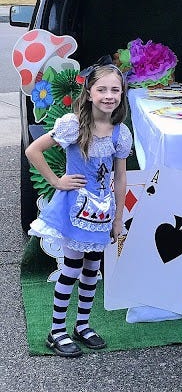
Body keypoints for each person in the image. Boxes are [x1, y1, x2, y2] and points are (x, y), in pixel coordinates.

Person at [26, 62, 133, 357]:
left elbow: (120, 177)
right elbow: (33, 150)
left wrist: (118, 218)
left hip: (101, 212)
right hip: (75, 208)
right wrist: (56, 181)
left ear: (122, 94)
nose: (108, 96)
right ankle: (56, 330)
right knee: (71, 268)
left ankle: (82, 325)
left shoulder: (119, 133)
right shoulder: (73, 125)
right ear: (88, 93)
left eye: (115, 89)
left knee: (92, 269)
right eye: (102, 89)